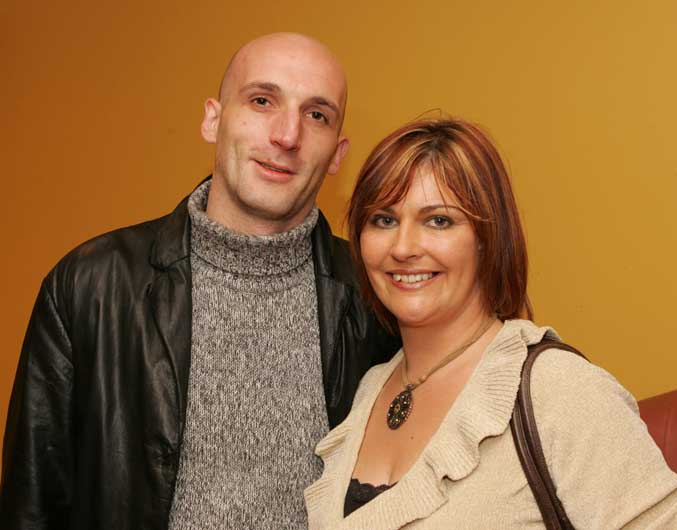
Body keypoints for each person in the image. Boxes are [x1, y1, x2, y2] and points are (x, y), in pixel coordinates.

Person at [0, 33, 398, 529]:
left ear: (337, 154)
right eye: (261, 101)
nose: (287, 135)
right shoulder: (89, 285)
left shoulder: (378, 298)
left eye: (316, 114)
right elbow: (32, 505)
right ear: (213, 119)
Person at [304, 118, 677, 529]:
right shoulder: (371, 388)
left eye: (438, 220)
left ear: (486, 238)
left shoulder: (556, 389)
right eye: (384, 220)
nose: (403, 247)